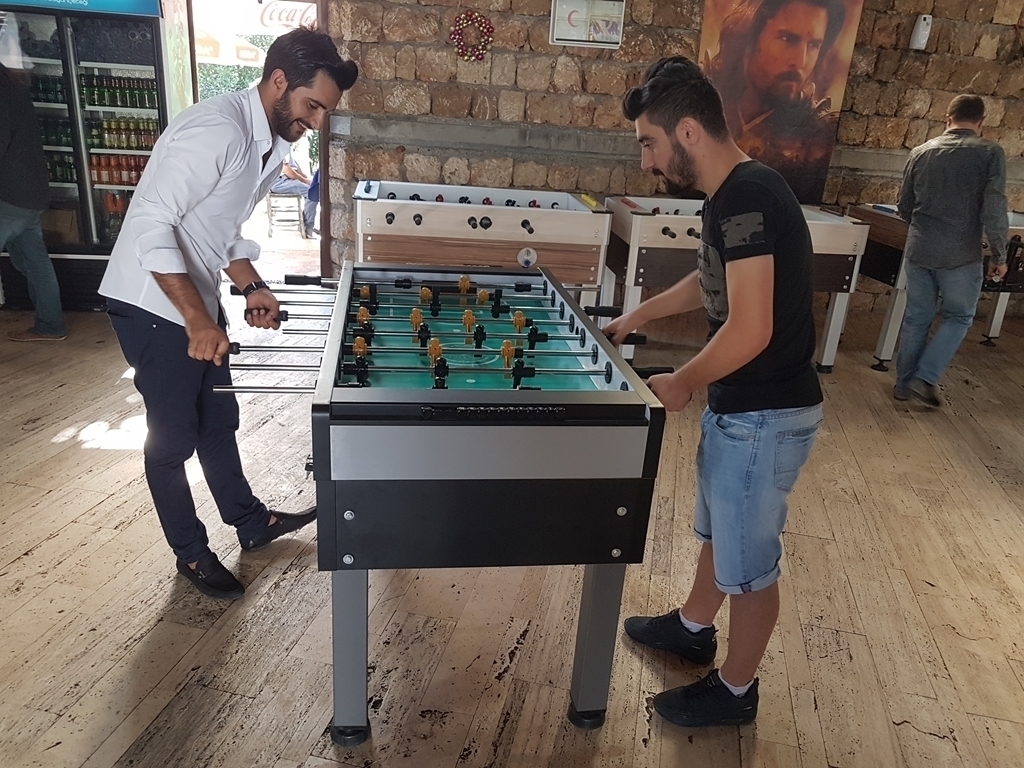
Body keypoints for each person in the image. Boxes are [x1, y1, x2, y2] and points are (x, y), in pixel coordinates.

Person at [98, 29, 357, 600]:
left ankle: (250, 522)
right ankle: (191, 553)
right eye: (313, 105)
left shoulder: (272, 139)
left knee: (218, 420)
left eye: (325, 111)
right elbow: (150, 226)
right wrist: (197, 319)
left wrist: (251, 286)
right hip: (150, 303)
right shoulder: (216, 130)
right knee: (172, 439)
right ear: (279, 81)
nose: (317, 121)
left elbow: (219, 228)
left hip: (194, 300)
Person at [605, 56, 823, 728]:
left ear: (689, 132)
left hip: (765, 415)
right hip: (744, 410)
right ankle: (694, 628)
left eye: (649, 142)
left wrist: (682, 380)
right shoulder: (731, 193)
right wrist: (637, 316)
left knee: (750, 566)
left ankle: (735, 692)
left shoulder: (747, 198)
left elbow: (751, 327)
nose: (646, 160)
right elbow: (710, 282)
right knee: (721, 536)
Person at [894, 94, 1009, 408]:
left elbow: (904, 206)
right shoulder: (990, 153)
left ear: (947, 118)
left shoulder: (920, 152)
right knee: (959, 317)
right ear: (981, 122)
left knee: (916, 319)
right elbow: (994, 208)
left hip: (920, 248)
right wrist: (1000, 255)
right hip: (960, 253)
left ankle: (903, 386)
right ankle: (925, 377)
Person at [703, 0, 845, 203]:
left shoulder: (815, 136)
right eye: (788, 39)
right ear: (749, 38)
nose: (800, 61)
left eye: (813, 45)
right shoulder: (703, 103)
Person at [0, 61, 67, 342]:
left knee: (35, 264)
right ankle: (50, 325)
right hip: (32, 192)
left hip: (8, 195)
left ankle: (50, 325)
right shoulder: (13, 83)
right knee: (36, 264)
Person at [270, 150, 318, 237]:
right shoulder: (282, 145)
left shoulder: (289, 146)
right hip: (278, 182)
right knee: (312, 192)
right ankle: (308, 227)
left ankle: (306, 223)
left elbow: (294, 166)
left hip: (286, 179)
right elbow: (286, 169)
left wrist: (306, 179)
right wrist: (304, 180)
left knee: (312, 188)